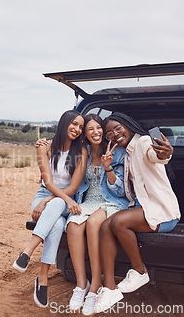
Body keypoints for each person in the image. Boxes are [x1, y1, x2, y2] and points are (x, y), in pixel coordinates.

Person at [94, 112, 180, 313]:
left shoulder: (142, 142)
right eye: (109, 134)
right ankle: (109, 288)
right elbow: (124, 191)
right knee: (106, 226)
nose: (114, 134)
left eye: (118, 128)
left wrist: (164, 153)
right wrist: (108, 168)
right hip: (141, 210)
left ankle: (140, 271)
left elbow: (156, 155)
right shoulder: (127, 154)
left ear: (127, 125)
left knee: (117, 222)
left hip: (163, 214)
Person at [12, 109, 87, 308]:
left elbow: (73, 188)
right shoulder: (44, 147)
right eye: (74, 124)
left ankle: (27, 252)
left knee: (57, 204)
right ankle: (42, 278)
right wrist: (46, 200)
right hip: (45, 196)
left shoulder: (82, 152)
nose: (77, 129)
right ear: (64, 123)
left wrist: (59, 200)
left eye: (81, 126)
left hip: (65, 199)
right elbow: (48, 181)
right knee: (56, 225)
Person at [64, 114, 129, 315]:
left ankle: (96, 286)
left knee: (93, 224)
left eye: (99, 128)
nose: (96, 132)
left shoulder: (117, 153)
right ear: (85, 134)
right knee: (73, 225)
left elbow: (120, 190)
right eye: (90, 129)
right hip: (88, 201)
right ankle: (81, 284)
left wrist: (108, 166)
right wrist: (45, 144)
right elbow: (60, 147)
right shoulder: (81, 152)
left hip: (111, 202)